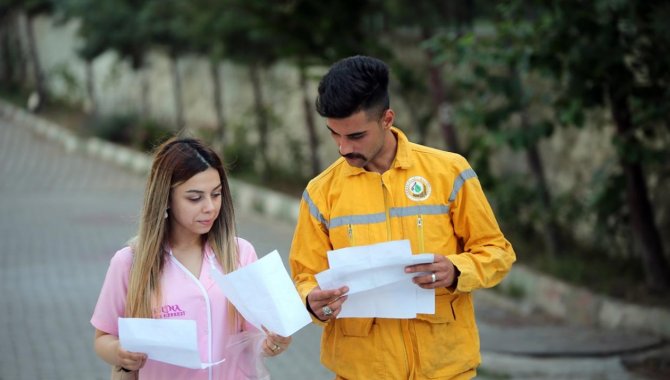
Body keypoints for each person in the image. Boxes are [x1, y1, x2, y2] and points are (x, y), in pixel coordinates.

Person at [289, 56, 516, 380]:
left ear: (387, 119)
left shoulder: (449, 172)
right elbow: (304, 276)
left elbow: (498, 252)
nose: (342, 148)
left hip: (445, 369)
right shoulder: (320, 193)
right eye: (334, 135)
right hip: (361, 371)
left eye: (355, 136)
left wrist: (456, 270)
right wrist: (311, 301)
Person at [91, 137, 291, 380]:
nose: (209, 207)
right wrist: (119, 353)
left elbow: (260, 333)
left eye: (216, 194)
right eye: (195, 198)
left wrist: (275, 342)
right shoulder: (130, 263)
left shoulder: (240, 253)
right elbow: (104, 337)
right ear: (166, 198)